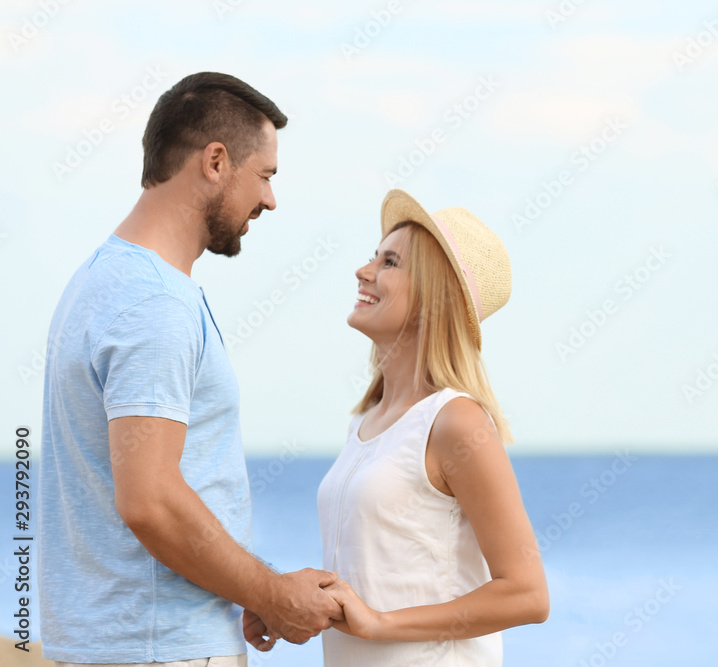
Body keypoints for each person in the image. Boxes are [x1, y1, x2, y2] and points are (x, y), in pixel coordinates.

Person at [39, 72, 342, 667]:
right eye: (265, 176)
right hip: (159, 649)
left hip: (117, 643)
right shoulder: (155, 302)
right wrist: (273, 595)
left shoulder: (101, 281)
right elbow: (150, 500)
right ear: (216, 161)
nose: (270, 200)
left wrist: (242, 585)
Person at [315, 189, 550, 664]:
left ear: (432, 299)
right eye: (373, 257)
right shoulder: (366, 421)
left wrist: (380, 624)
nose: (363, 271)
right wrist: (294, 606)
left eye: (389, 263)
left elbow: (527, 594)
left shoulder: (456, 421)